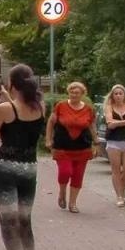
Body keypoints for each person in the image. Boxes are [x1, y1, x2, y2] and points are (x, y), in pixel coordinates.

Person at [0, 64, 48, 250]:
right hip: (30, 168)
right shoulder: (40, 106)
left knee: (9, 224)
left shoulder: (5, 108)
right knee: (25, 221)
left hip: (5, 168)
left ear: (11, 84)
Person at [46, 81, 99, 212]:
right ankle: (62, 192)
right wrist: (48, 139)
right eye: (71, 92)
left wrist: (96, 142)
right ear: (68, 93)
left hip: (82, 147)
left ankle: (73, 203)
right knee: (65, 171)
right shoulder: (61, 106)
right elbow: (51, 122)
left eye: (77, 93)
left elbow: (92, 126)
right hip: (62, 146)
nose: (74, 95)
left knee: (77, 175)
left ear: (82, 94)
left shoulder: (88, 109)